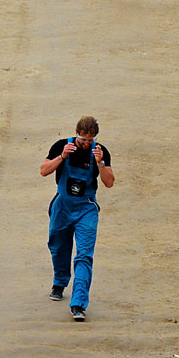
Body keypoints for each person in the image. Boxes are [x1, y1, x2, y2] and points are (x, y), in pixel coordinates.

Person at [40, 114, 115, 321]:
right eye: (83, 140)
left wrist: (100, 164)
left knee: (84, 255)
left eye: (91, 140)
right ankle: (59, 281)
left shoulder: (100, 152)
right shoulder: (61, 146)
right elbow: (44, 171)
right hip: (62, 205)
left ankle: (78, 304)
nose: (87, 143)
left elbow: (109, 183)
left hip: (86, 208)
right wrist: (62, 157)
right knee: (58, 247)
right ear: (76, 134)